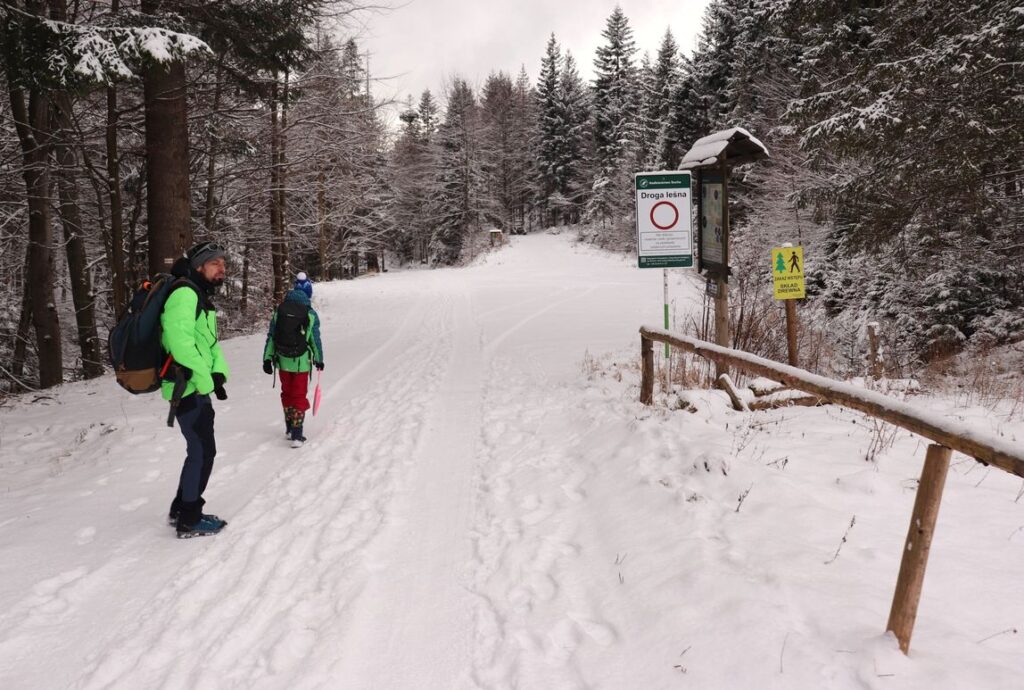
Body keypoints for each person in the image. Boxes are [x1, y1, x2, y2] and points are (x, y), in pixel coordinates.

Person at [162, 241, 230, 538]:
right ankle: (189, 518)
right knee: (202, 452)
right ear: (200, 265)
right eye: (216, 263)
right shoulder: (185, 294)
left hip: (194, 385)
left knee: (199, 450)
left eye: (223, 264)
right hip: (186, 387)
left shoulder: (199, 295)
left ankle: (181, 507)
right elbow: (180, 345)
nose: (222, 269)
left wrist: (218, 373)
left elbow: (208, 343)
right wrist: (204, 382)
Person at [262, 286, 323, 448]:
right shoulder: (310, 315)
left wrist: (267, 359)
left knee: (287, 393)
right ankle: (297, 433)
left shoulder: (279, 313)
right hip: (301, 364)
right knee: (298, 395)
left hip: (282, 362)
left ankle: (289, 428)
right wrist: (319, 359)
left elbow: (272, 338)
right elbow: (314, 340)